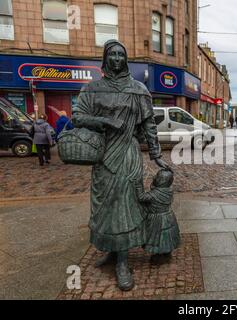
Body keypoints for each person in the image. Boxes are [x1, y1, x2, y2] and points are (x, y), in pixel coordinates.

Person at [72, 40, 171, 291]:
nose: (117, 58)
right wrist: (103, 120)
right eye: (112, 54)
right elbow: (77, 117)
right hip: (103, 156)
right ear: (105, 59)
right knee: (104, 207)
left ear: (125, 59)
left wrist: (156, 154)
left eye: (121, 54)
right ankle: (111, 251)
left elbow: (149, 124)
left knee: (125, 207)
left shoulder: (138, 89)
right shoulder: (92, 89)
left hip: (127, 154)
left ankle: (123, 262)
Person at [134, 169, 180, 264]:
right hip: (168, 217)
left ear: (161, 181)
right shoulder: (169, 191)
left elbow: (141, 197)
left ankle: (159, 256)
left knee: (157, 237)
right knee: (168, 235)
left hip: (157, 219)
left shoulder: (154, 194)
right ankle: (167, 252)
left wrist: (138, 185)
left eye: (157, 177)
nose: (154, 177)